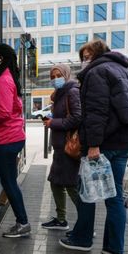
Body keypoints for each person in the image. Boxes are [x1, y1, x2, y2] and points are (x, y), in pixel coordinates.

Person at [59, 39, 128, 254]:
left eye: (87, 56)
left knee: (87, 190)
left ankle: (82, 239)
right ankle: (114, 247)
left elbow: (96, 112)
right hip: (124, 143)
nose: (84, 61)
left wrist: (94, 145)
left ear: (97, 54)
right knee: (114, 194)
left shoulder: (98, 73)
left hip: (103, 143)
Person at [0, 43, 29, 238]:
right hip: (10, 137)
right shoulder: (5, 77)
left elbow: (3, 112)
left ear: (0, 59)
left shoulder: (2, 80)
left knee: (9, 182)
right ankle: (22, 221)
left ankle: (23, 222)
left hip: (5, 139)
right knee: (10, 181)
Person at [42, 64, 81, 230]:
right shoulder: (59, 94)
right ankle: (61, 219)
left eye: (58, 75)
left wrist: (54, 123)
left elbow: (78, 117)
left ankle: (86, 224)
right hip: (60, 146)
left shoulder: (72, 92)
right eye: (52, 76)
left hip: (68, 146)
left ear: (66, 75)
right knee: (55, 182)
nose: (54, 79)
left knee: (71, 185)